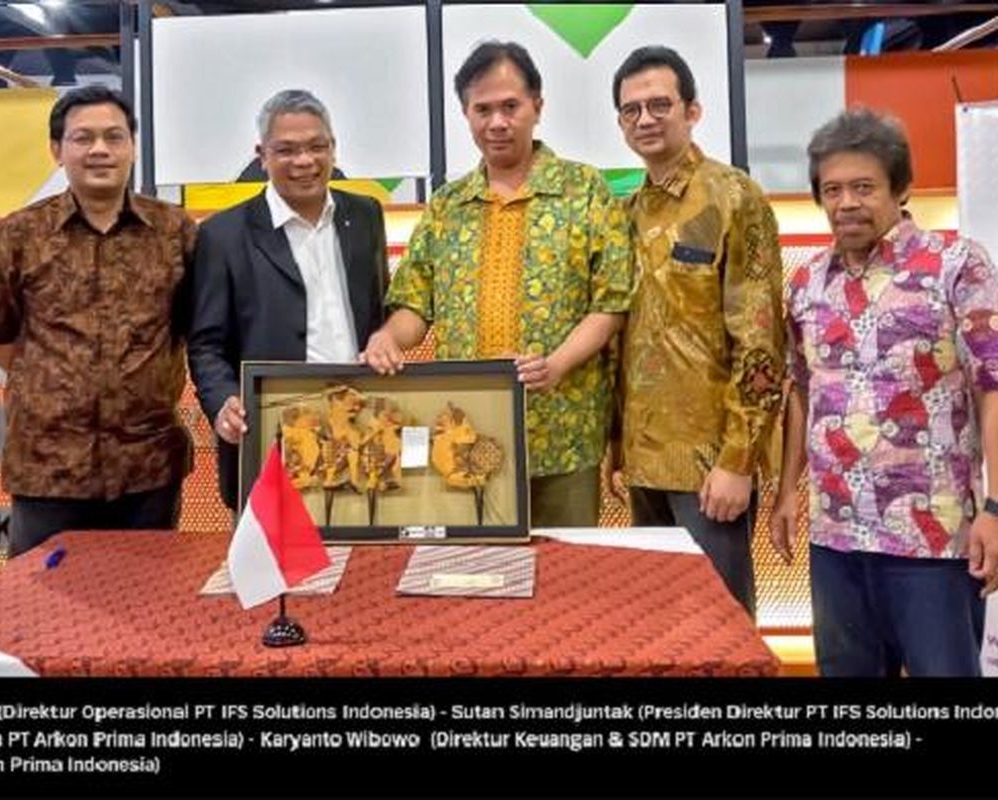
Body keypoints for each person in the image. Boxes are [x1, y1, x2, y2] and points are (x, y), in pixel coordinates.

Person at [362, 41, 632, 527]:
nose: (497, 122)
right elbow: (414, 304)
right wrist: (387, 338)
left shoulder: (585, 190)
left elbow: (611, 303)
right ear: (465, 114)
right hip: (466, 436)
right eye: (482, 110)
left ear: (537, 107)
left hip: (562, 431)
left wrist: (556, 364)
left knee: (566, 567)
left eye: (511, 106)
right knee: (474, 569)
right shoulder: (447, 206)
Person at [771, 108, 998, 676]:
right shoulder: (805, 282)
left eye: (864, 187)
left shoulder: (956, 266)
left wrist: (996, 508)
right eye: (832, 190)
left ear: (901, 189)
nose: (846, 203)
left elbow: (992, 388)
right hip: (835, 538)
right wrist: (786, 491)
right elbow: (801, 391)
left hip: (933, 543)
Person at [0, 85, 197, 557]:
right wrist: (56, 384)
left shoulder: (177, 233)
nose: (100, 149)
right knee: (41, 599)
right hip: (47, 466)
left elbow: (195, 329)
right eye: (83, 138)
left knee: (144, 594)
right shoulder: (17, 235)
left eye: (114, 136)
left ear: (133, 147)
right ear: (57, 150)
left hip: (148, 466)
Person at [611, 45, 785, 617]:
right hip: (643, 463)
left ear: (692, 111)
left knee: (720, 627)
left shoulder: (734, 197)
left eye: (659, 104)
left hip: (711, 466)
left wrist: (739, 459)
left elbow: (761, 342)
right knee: (659, 627)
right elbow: (622, 335)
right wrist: (615, 443)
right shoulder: (626, 213)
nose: (645, 119)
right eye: (632, 109)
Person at [188, 89, 389, 510]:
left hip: (361, 433)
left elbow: (378, 313)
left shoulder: (366, 216)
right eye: (287, 150)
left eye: (317, 146)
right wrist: (223, 402)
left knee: (368, 550)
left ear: (333, 148)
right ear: (262, 155)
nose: (304, 161)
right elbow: (206, 345)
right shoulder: (223, 235)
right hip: (269, 439)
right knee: (274, 554)